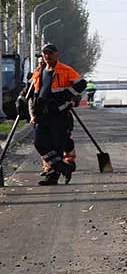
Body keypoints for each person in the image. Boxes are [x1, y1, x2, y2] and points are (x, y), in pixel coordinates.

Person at [26, 42, 87, 186]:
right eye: (45, 53)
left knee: (57, 146)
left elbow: (81, 84)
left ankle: (52, 176)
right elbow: (31, 91)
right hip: (42, 114)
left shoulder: (65, 70)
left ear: (56, 54)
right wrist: (25, 103)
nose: (47, 56)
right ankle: (64, 168)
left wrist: (66, 95)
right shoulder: (38, 71)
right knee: (40, 143)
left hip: (58, 114)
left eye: (50, 53)